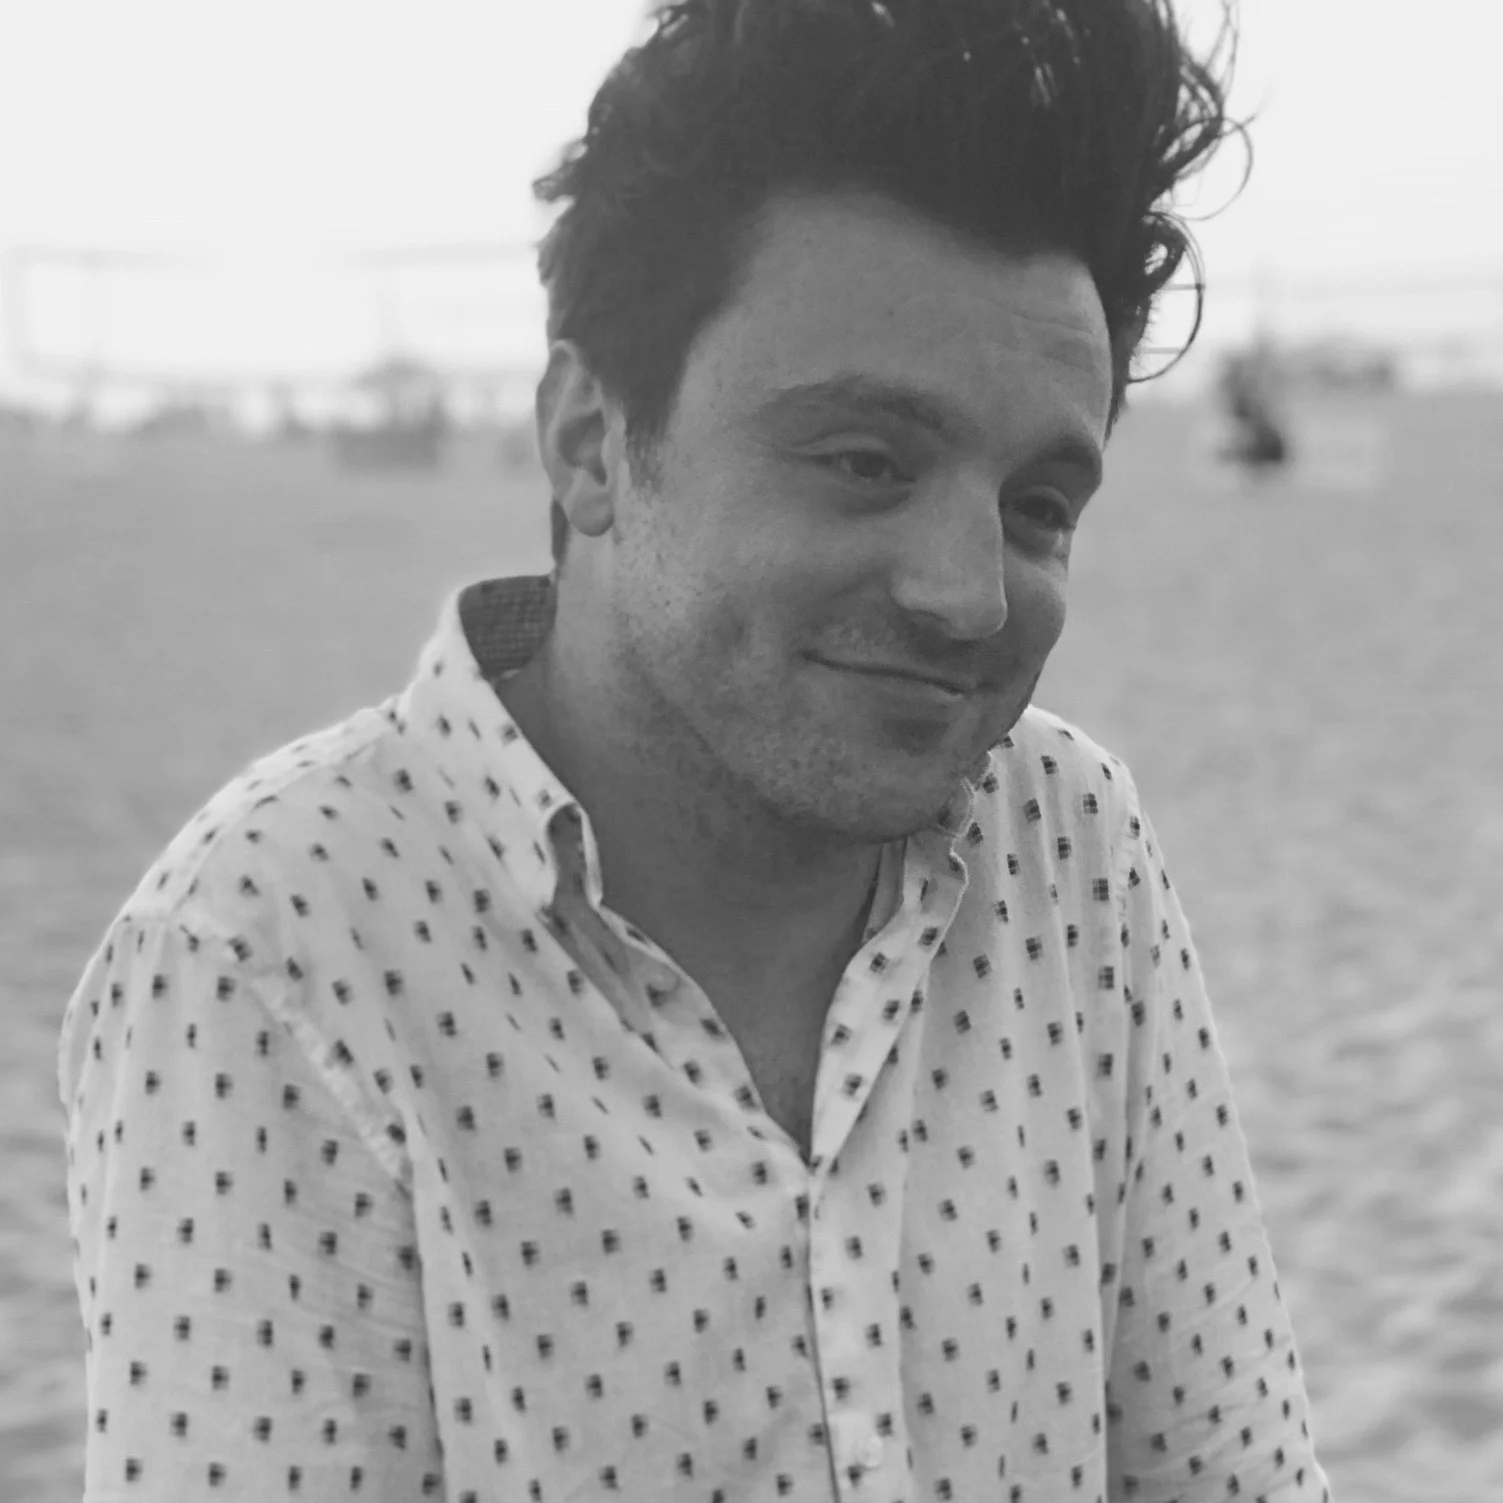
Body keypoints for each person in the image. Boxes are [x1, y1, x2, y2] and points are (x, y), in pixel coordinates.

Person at [58, 2, 1333, 1499]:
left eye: (1037, 505)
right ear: (590, 444)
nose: (970, 594)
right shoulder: (274, 951)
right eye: (864, 461)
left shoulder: (1070, 846)